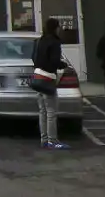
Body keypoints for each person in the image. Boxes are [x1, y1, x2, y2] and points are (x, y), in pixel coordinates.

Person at [33, 17, 70, 150]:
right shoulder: (55, 42)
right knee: (51, 111)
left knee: (42, 111)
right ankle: (52, 141)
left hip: (38, 77)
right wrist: (63, 65)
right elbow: (55, 61)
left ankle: (44, 140)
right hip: (48, 79)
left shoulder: (40, 40)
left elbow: (34, 58)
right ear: (55, 28)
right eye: (58, 27)